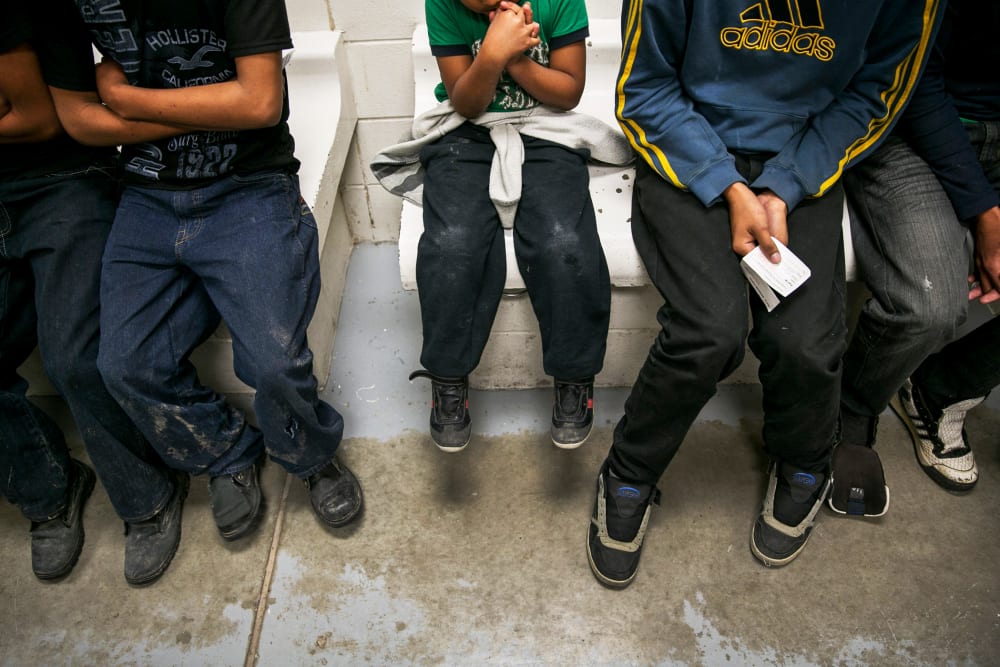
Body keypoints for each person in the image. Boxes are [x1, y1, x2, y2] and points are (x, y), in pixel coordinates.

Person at [586, 0, 941, 587]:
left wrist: (785, 185)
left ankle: (804, 461)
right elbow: (645, 90)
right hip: (688, 146)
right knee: (709, 330)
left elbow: (876, 93)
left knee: (804, 340)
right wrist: (727, 186)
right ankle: (629, 471)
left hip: (804, 156)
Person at [48, 0, 363, 544]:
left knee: (273, 363)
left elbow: (260, 103)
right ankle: (224, 451)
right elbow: (79, 119)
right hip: (147, 192)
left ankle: (308, 455)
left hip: (248, 185)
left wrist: (126, 102)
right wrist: (213, 107)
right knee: (123, 365)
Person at [372, 0, 631, 453]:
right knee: (452, 245)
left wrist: (515, 59)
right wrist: (489, 56)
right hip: (466, 132)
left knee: (564, 242)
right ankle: (449, 377)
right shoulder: (444, 6)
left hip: (547, 127)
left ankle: (574, 374)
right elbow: (467, 102)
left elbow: (568, 92)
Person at [1, 1, 186, 585]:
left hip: (61, 178)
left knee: (76, 359)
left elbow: (39, 118)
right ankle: (48, 489)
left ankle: (146, 495)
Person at [835, 0, 999, 506]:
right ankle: (851, 406)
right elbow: (913, 80)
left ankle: (943, 388)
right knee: (928, 305)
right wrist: (984, 211)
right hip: (910, 123)